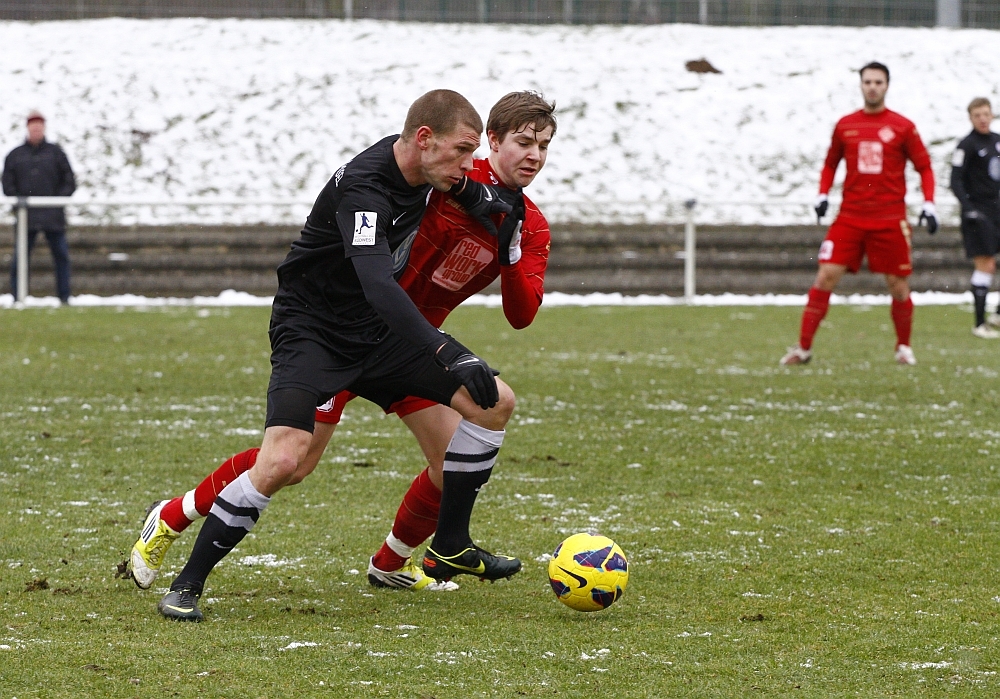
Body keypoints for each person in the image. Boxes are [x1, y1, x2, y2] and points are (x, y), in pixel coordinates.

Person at [128, 90, 556, 603]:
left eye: (544, 146)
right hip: (331, 332)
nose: (531, 155)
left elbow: (518, 306)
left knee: (478, 425)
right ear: (486, 140)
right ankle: (173, 520)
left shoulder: (473, 192)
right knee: (292, 462)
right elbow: (380, 280)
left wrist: (508, 241)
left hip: (397, 340)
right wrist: (445, 350)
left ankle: (407, 557)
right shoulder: (389, 183)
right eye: (521, 142)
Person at [780, 62, 936, 367]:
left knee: (898, 286)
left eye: (878, 82)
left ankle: (903, 347)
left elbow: (925, 167)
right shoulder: (845, 125)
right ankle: (803, 348)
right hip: (850, 217)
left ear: (887, 86)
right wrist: (822, 193)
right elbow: (830, 163)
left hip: (889, 219)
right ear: (861, 85)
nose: (873, 87)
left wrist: (929, 202)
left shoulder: (904, 127)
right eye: (868, 82)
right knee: (825, 275)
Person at [3, 110, 76, 304]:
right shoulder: (15, 155)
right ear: (28, 128)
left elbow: (69, 181)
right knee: (20, 259)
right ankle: (18, 297)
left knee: (61, 257)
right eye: (33, 127)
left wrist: (56, 201)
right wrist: (20, 202)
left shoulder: (56, 153)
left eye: (39, 127)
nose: (36, 130)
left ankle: (64, 297)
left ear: (43, 128)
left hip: (53, 217)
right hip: (27, 217)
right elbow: (8, 184)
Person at [949, 97, 1000, 338]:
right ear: (971, 117)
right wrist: (968, 208)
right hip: (978, 215)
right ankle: (979, 324)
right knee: (986, 265)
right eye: (977, 114)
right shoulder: (966, 145)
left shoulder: (997, 141)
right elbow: (955, 180)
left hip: (998, 211)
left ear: (992, 115)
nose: (982, 118)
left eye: (986, 114)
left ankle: (997, 315)